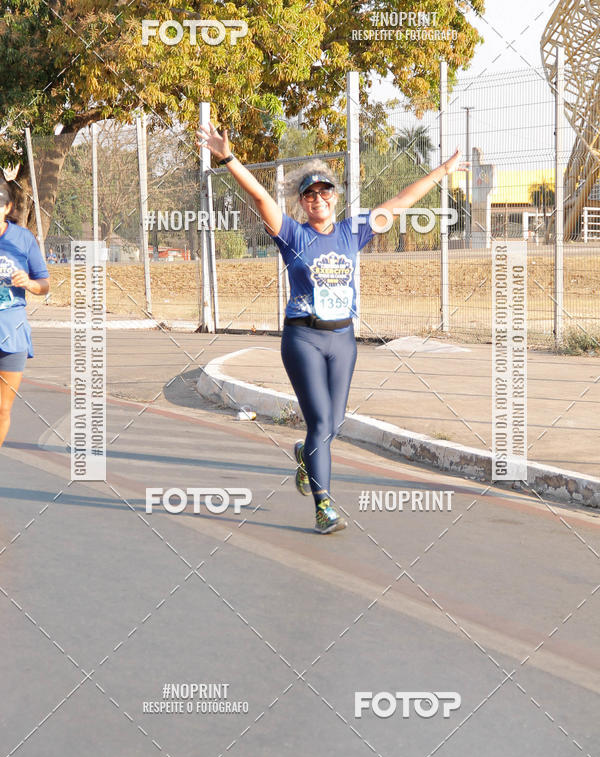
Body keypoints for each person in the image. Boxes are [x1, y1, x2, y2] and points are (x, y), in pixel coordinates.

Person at [196, 123, 464, 534]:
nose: (318, 198)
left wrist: (443, 170)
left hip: (343, 340)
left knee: (332, 425)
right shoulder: (292, 234)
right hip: (302, 337)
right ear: (302, 203)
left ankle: (305, 453)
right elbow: (260, 196)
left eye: (325, 191)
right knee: (321, 421)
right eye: (310, 193)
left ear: (335, 196)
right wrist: (228, 157)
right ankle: (324, 506)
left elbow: (401, 200)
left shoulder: (352, 231)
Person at [0, 178, 50, 447]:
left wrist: (29, 283)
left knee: (2, 409)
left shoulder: (22, 239)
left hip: (12, 334)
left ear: (7, 207)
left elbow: (44, 283)